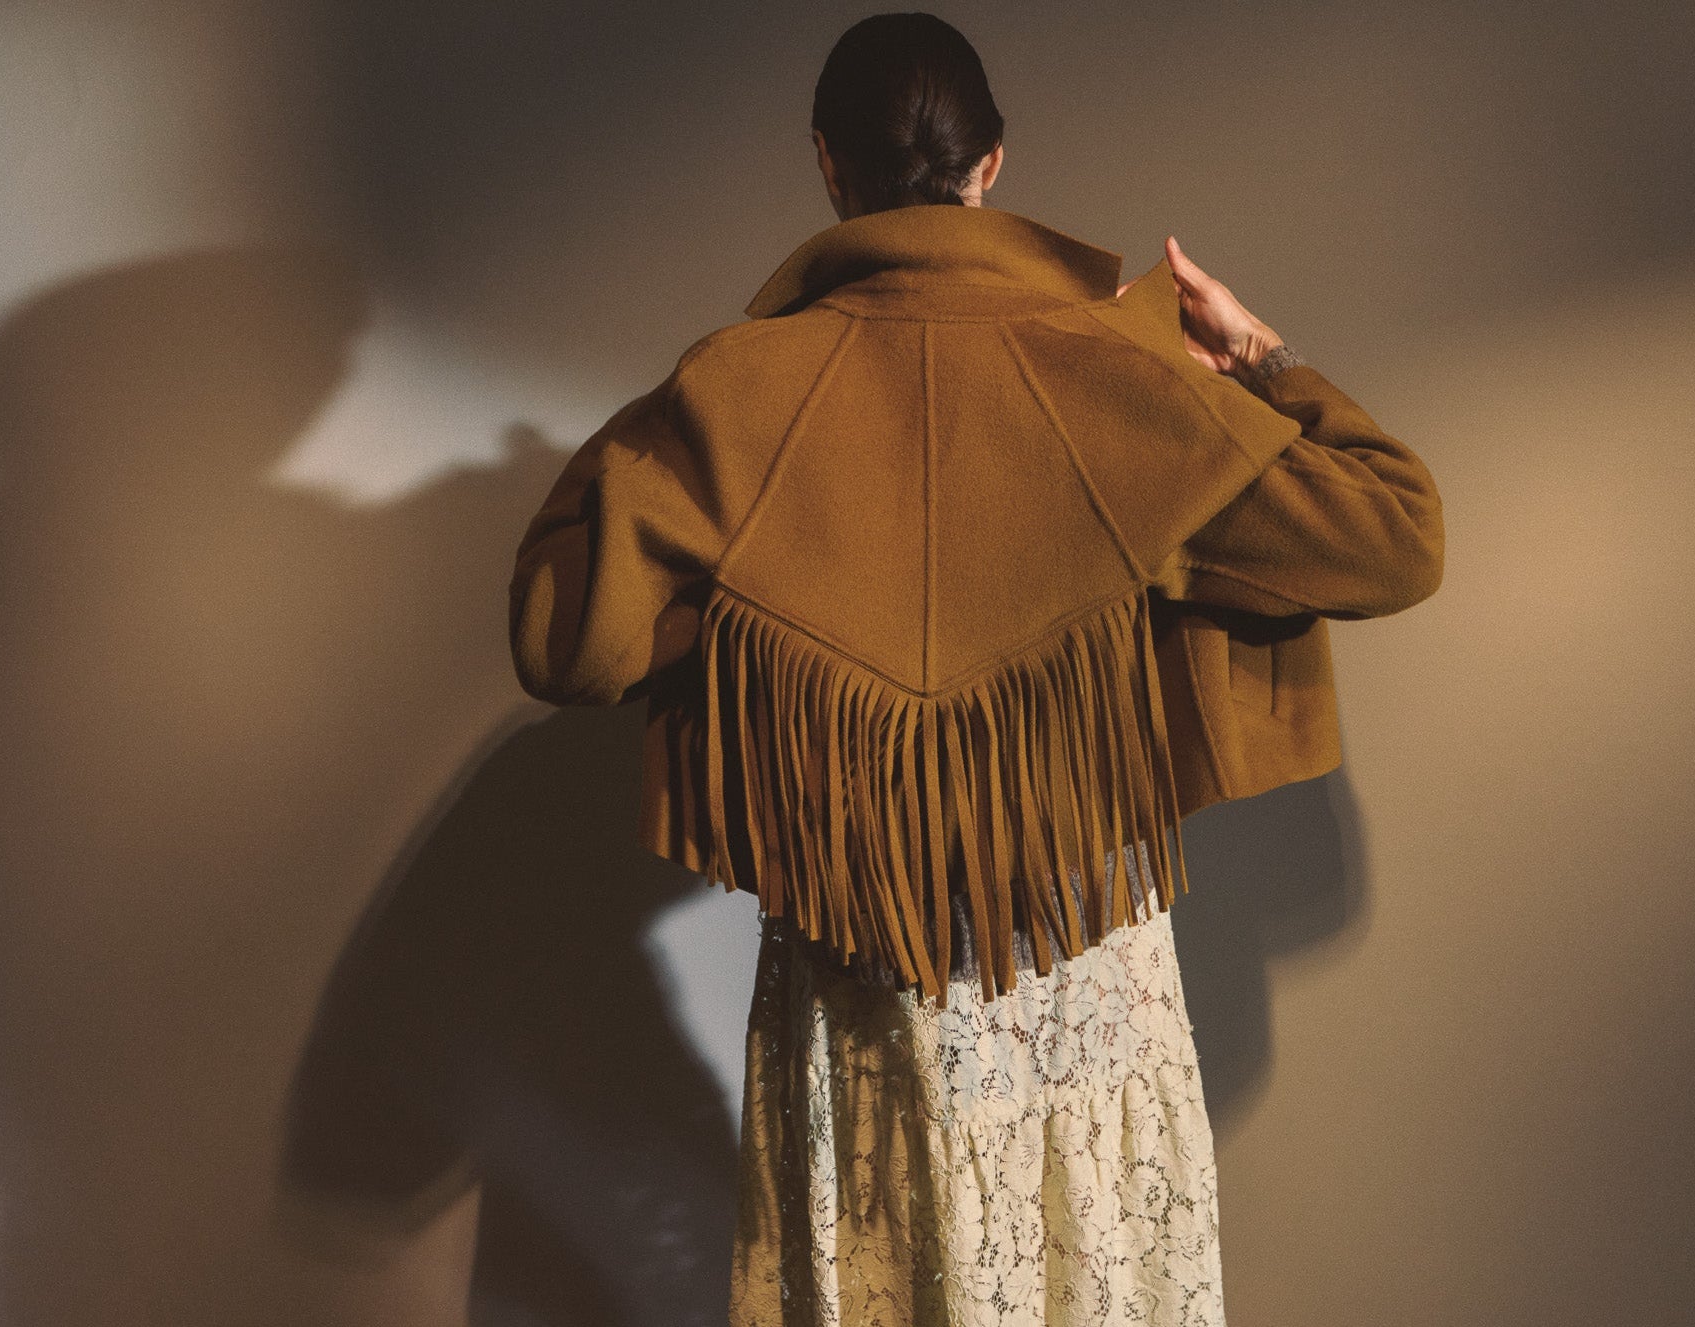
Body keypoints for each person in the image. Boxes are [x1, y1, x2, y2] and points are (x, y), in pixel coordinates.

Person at [507, 12, 1443, 1325]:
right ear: (991, 166)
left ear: (830, 168)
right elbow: (1395, 538)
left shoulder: (736, 396)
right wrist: (1260, 359)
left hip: (860, 994)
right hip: (1079, 996)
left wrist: (682, 408)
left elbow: (568, 640)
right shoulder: (1122, 376)